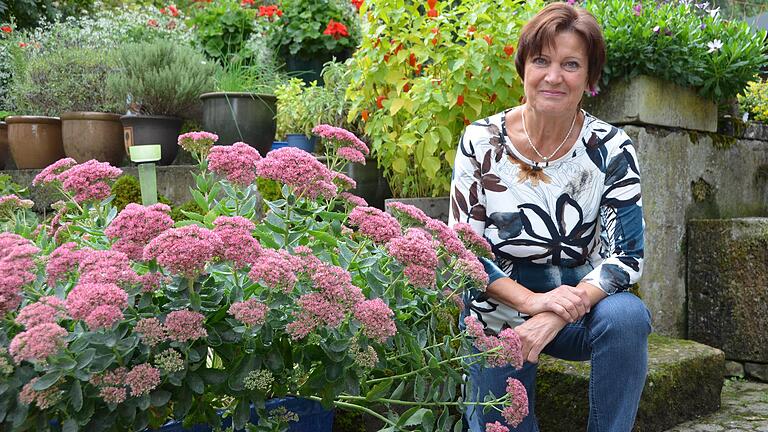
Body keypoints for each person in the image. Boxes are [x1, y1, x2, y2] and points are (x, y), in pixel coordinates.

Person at [448, 3, 652, 431]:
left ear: (589, 77)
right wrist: (530, 302)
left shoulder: (612, 149)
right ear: (523, 66)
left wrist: (554, 312)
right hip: (497, 309)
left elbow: (628, 255)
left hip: (578, 306)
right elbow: (461, 251)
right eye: (541, 60)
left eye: (571, 64)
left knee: (628, 317)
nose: (554, 76)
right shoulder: (480, 141)